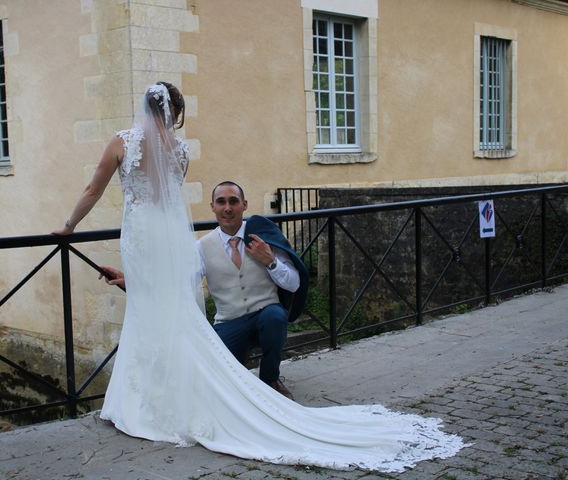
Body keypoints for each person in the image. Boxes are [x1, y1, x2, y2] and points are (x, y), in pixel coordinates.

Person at [54, 81, 465, 472]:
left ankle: (147, 403)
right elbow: (168, 203)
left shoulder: (123, 142)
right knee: (171, 311)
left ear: (145, 107)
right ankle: (161, 398)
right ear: (174, 112)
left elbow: (94, 188)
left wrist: (69, 226)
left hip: (140, 236)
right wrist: (131, 276)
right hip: (168, 240)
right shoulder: (179, 151)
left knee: (150, 313)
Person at [100, 181, 309, 400]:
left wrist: (271, 261)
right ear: (213, 206)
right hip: (230, 322)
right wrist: (131, 281)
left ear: (244, 205)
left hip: (265, 313)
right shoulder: (202, 247)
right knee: (221, 389)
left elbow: (294, 283)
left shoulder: (263, 238)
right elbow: (177, 283)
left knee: (275, 316)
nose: (227, 208)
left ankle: (270, 379)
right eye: (221, 202)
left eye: (233, 201)